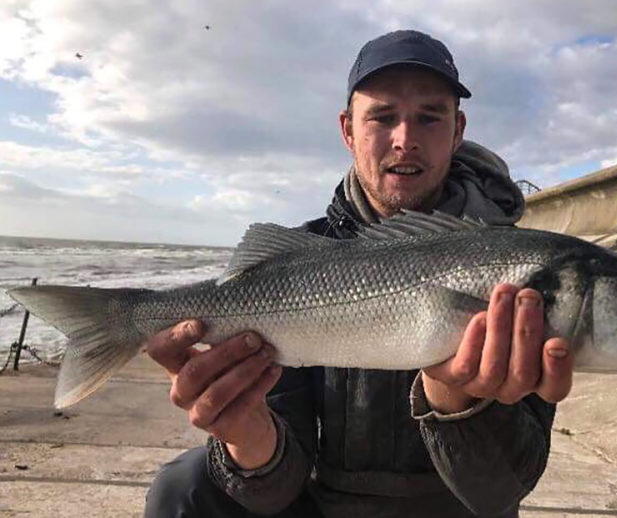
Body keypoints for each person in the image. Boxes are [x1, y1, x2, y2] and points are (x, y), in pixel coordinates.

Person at [143, 29, 573, 518]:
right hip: (325, 503)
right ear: (348, 131)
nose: (405, 139)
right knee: (185, 487)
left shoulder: (520, 268)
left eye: (429, 117)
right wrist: (247, 436)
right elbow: (272, 491)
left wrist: (454, 398)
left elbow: (499, 493)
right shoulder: (297, 262)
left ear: (458, 130)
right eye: (383, 117)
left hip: (454, 508)